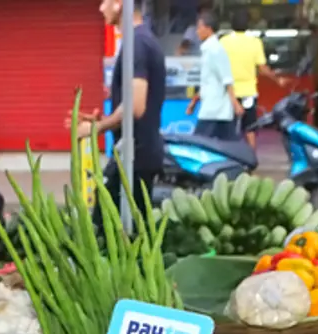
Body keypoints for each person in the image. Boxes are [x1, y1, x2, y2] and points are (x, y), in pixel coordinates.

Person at [71, 0, 166, 222]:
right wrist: (103, 119)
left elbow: (135, 106)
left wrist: (96, 128)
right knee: (125, 231)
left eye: (104, 1)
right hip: (135, 153)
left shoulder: (138, 43)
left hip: (135, 157)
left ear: (119, 3)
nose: (100, 8)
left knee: (107, 229)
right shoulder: (140, 41)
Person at [220, 9, 287, 150]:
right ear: (248, 25)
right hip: (248, 92)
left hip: (228, 93)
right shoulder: (255, 42)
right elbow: (262, 68)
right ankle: (251, 157)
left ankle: (227, 154)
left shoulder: (223, 41)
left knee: (227, 126)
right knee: (250, 127)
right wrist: (277, 79)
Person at [187, 10, 243, 141]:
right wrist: (194, 102)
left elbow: (227, 78)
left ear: (209, 29)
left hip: (213, 108)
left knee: (199, 142)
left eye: (199, 27)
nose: (197, 31)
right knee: (230, 142)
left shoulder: (216, 49)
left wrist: (235, 103)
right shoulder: (208, 50)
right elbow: (207, 81)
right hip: (215, 109)